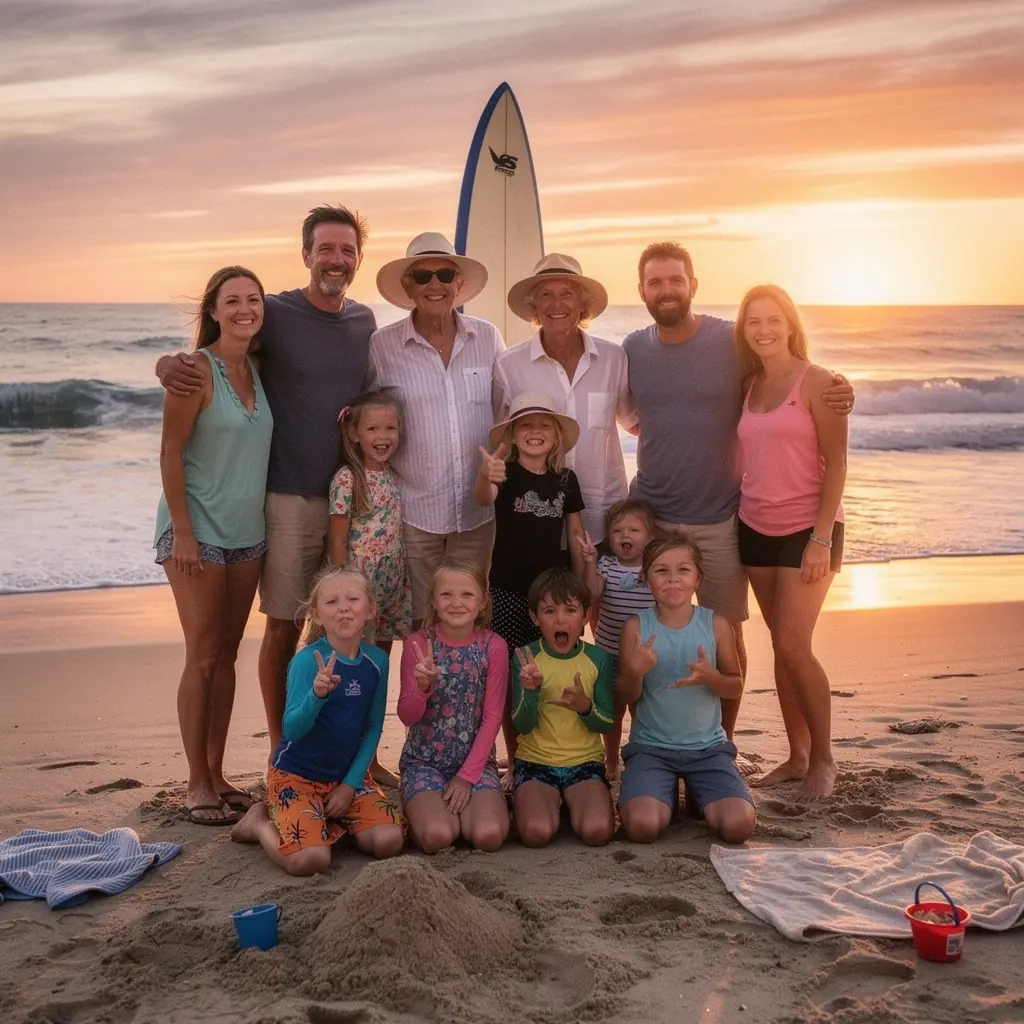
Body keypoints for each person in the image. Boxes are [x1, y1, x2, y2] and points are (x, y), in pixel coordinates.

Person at [156, 206, 376, 757]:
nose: (336, 259)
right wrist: (167, 364)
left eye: (347, 250)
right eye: (325, 249)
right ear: (305, 255)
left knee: (347, 626)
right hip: (284, 500)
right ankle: (283, 752)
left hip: (347, 501)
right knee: (282, 627)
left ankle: (343, 752)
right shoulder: (275, 311)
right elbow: (221, 344)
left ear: (358, 259)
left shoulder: (364, 322)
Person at [623, 242, 855, 741]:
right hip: (656, 517)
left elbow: (786, 374)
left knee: (728, 637)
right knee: (651, 636)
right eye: (656, 282)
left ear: (693, 285)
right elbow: (625, 412)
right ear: (641, 290)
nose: (667, 290)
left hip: (723, 518)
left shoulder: (731, 342)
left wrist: (837, 387)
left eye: (676, 280)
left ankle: (721, 744)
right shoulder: (633, 349)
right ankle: (653, 743)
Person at [154, 267, 273, 825]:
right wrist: (183, 531)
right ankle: (196, 782)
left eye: (254, 300)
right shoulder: (195, 371)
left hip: (247, 534)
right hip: (196, 531)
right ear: (214, 310)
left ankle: (218, 774)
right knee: (201, 654)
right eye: (233, 301)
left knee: (227, 654)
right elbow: (170, 453)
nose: (245, 309)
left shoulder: (258, 368)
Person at [735, 285, 848, 802]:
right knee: (781, 646)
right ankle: (797, 755)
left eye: (773, 320)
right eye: (753, 321)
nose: (764, 330)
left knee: (793, 645)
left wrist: (821, 537)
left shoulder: (818, 381)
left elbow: (837, 462)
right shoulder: (749, 384)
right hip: (754, 524)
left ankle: (823, 760)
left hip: (809, 529)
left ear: (790, 324)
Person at [230, 565, 404, 874]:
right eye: (332, 601)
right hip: (296, 776)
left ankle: (330, 822)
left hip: (347, 777)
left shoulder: (377, 661)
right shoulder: (306, 662)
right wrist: (317, 695)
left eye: (353, 599)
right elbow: (292, 729)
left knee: (389, 841)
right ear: (317, 614)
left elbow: (372, 727)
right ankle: (258, 823)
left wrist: (349, 785)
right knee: (311, 860)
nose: (343, 608)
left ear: (370, 610)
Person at [367, 232, 502, 628]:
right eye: (422, 276)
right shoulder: (382, 346)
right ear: (407, 285)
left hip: (478, 515)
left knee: (473, 620)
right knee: (422, 623)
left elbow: (506, 413)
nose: (435, 285)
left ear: (459, 282)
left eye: (444, 274)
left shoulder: (488, 337)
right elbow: (366, 421)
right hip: (415, 513)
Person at [617, 534, 756, 844]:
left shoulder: (717, 625)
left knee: (738, 826)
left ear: (698, 579)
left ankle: (697, 789)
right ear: (646, 579)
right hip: (651, 749)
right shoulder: (636, 628)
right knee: (642, 827)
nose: (673, 579)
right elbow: (626, 696)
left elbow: (734, 687)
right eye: (661, 570)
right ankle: (663, 790)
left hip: (708, 750)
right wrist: (635, 672)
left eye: (683, 570)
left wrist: (711, 677)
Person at [474, 392, 587, 770]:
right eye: (525, 425)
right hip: (507, 589)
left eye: (544, 426)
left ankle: (549, 750)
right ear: (512, 434)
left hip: (551, 595)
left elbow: (575, 533)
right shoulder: (503, 472)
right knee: (511, 676)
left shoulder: (565, 479)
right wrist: (486, 475)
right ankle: (515, 755)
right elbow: (482, 498)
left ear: (555, 437)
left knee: (550, 672)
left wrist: (582, 588)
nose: (535, 432)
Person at [494, 253, 632, 543]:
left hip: (602, 515)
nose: (556, 304)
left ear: (583, 303)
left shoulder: (614, 358)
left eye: (567, 294)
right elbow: (499, 442)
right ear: (534, 305)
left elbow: (634, 424)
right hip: (535, 522)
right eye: (546, 295)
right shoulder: (509, 365)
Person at [397, 558, 509, 853]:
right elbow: (407, 716)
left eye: (467, 594)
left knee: (488, 835)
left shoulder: (493, 646)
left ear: (482, 603)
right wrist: (422, 688)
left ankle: (477, 806)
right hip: (424, 762)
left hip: (475, 764)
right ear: (433, 601)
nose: (456, 603)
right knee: (438, 836)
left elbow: (493, 717)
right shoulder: (417, 644)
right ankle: (422, 806)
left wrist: (466, 777)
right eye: (446, 594)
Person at [510, 568, 616, 847]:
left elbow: (606, 723)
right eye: (549, 611)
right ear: (535, 617)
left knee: (597, 832)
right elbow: (522, 725)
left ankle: (572, 803)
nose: (560, 619)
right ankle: (543, 802)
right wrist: (531, 692)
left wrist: (585, 707)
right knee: (536, 833)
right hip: (535, 762)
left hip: (585, 763)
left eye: (570, 610)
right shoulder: (525, 658)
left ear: (586, 616)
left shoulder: (598, 659)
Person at [578, 499, 658, 779]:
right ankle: (611, 758)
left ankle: (637, 755)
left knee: (641, 708)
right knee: (612, 710)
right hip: (609, 653)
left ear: (650, 537)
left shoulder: (653, 569)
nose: (625, 535)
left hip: (644, 655)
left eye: (634, 530)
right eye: (617, 530)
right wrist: (590, 563)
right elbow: (593, 594)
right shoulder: (607, 565)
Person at [328, 390, 412, 644]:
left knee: (383, 644)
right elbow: (337, 540)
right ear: (354, 434)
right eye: (373, 429)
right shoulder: (348, 479)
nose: (383, 436)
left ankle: (380, 673)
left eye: (390, 428)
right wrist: (345, 587)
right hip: (362, 576)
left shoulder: (392, 473)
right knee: (358, 642)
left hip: (392, 573)